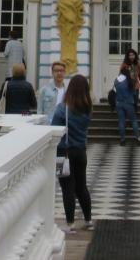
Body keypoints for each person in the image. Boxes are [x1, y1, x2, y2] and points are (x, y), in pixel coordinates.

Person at [51, 73, 95, 233]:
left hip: (64, 152)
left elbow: (53, 129)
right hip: (81, 152)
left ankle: (70, 224)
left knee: (67, 188)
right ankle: (88, 220)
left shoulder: (62, 109)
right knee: (81, 187)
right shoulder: (87, 109)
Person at [113, 62, 140, 146]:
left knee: (121, 121)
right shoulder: (130, 80)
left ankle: (122, 140)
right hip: (129, 103)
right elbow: (134, 93)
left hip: (119, 103)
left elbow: (114, 91)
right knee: (133, 121)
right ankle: (138, 139)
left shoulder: (116, 80)